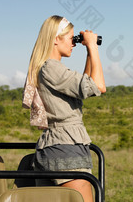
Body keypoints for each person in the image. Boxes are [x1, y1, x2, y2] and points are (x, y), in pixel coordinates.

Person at [22, 15, 106, 202]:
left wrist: (88, 53)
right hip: (66, 148)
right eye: (71, 38)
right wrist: (93, 46)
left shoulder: (48, 68)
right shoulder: (52, 68)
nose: (74, 43)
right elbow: (99, 86)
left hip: (55, 147)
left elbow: (84, 87)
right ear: (55, 39)